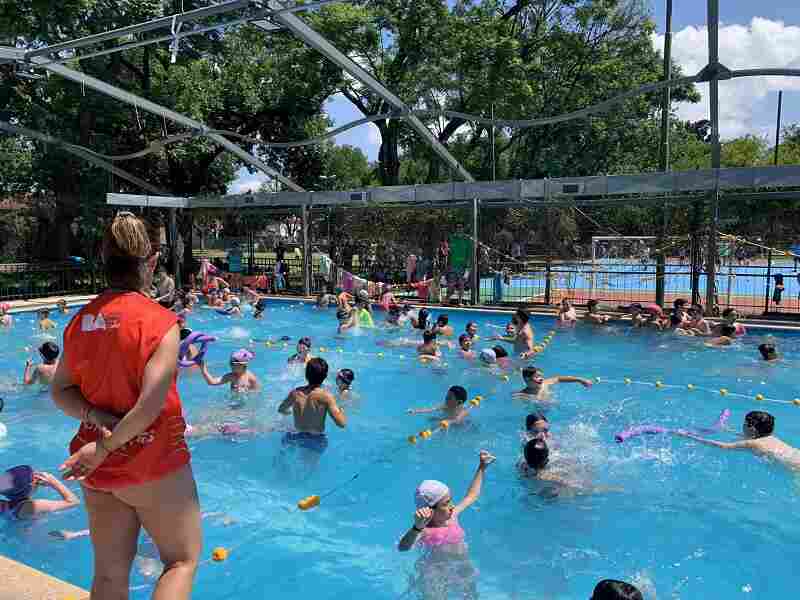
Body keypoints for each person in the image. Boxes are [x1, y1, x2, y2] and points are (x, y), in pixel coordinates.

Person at [50, 211, 201, 600]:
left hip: (97, 470)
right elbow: (149, 407)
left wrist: (96, 421)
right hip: (151, 463)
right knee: (179, 562)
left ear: (105, 261)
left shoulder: (81, 320)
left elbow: (61, 390)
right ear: (150, 262)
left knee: (109, 577)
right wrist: (103, 447)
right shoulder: (159, 322)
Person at [397, 449, 495, 552]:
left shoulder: (452, 516)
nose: (452, 506)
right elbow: (402, 548)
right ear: (430, 510)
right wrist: (417, 527)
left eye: (450, 501)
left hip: (464, 565)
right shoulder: (424, 531)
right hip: (437, 568)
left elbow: (471, 496)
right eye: (446, 504)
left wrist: (482, 467)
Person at [673, 411, 800, 470]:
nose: (742, 426)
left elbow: (723, 446)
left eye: (744, 424)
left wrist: (688, 436)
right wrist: (725, 429)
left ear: (752, 428)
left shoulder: (752, 443)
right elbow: (747, 436)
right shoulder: (770, 438)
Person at [278, 358, 347, 454]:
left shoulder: (296, 393)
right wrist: (342, 410)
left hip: (295, 435)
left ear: (306, 374)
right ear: (325, 377)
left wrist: (288, 412)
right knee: (309, 466)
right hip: (315, 439)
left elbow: (281, 409)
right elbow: (341, 424)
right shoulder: (326, 397)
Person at [1, 466, 80, 520]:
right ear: (31, 487)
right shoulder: (33, 506)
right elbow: (74, 502)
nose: (38, 476)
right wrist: (54, 482)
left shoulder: (3, 504)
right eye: (35, 477)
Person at [514, 366, 592, 401]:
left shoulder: (545, 383)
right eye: (537, 377)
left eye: (541, 376)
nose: (541, 378)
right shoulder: (523, 394)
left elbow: (559, 378)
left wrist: (580, 380)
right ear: (527, 379)